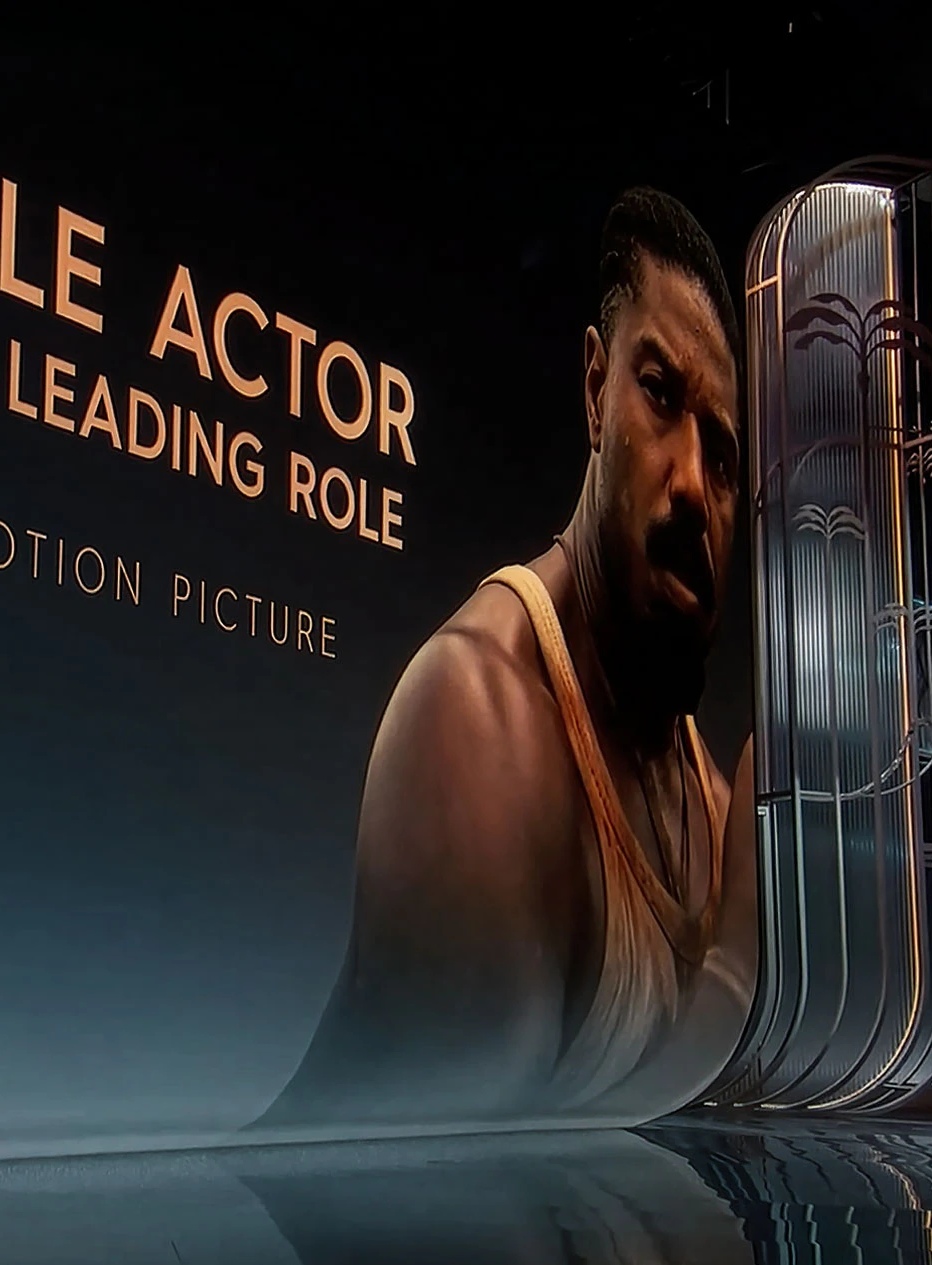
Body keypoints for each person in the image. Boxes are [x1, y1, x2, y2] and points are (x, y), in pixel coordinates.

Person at [256, 189, 759, 1132]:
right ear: (593, 391)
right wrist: (737, 965)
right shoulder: (479, 716)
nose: (695, 483)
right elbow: (477, 1197)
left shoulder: (718, 807)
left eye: (725, 456)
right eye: (660, 393)